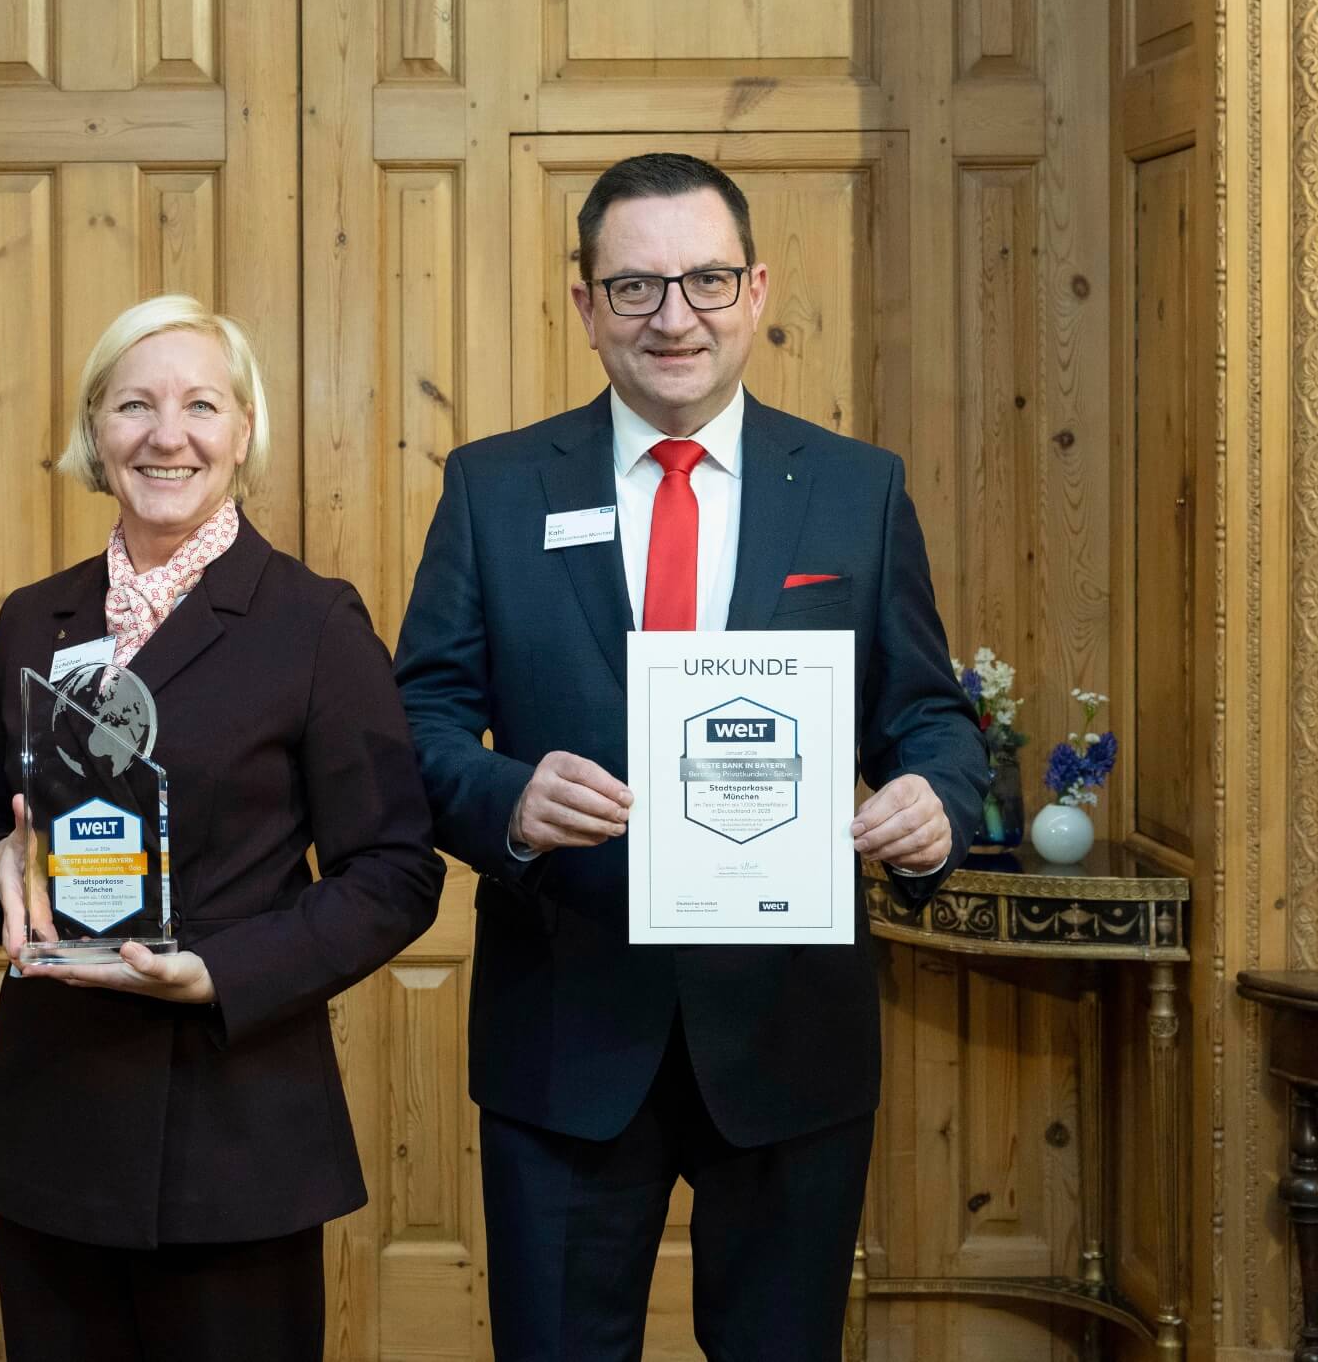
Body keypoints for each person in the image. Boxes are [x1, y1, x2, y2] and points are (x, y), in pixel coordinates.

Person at [392, 153, 989, 1361]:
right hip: (563, 1031)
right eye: (635, 287)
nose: (674, 317)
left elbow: (927, 716)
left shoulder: (856, 492)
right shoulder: (492, 489)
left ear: (754, 290)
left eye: (706, 280)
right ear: (584, 304)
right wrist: (508, 798)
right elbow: (418, 721)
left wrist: (933, 799)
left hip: (788, 1037)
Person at [0, 293, 443, 1362]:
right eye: (133, 404)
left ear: (243, 431)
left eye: (201, 406)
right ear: (94, 430)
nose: (165, 435)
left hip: (236, 1138)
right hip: (54, 1128)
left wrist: (222, 972)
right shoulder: (33, 618)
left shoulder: (314, 623)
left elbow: (395, 872)